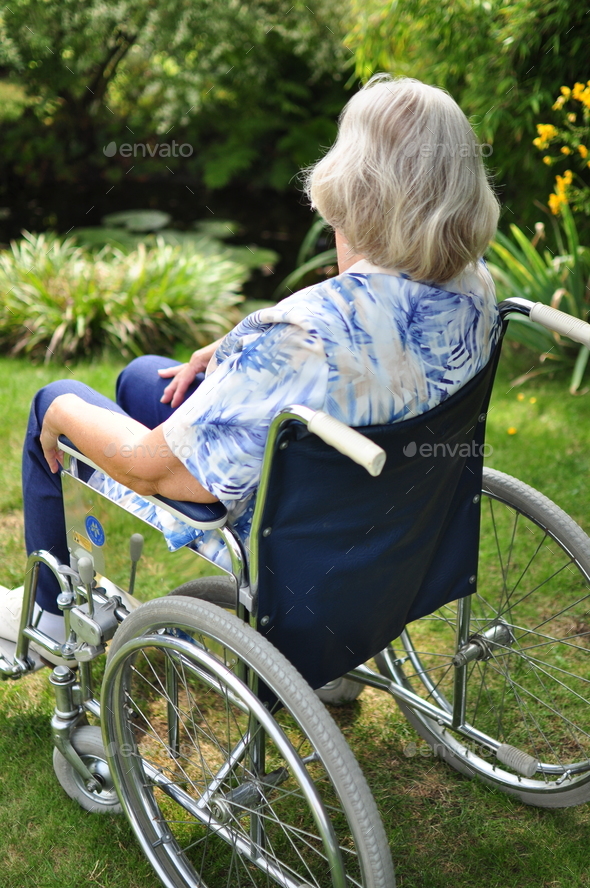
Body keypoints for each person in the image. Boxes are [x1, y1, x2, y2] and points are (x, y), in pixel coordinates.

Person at [0, 74, 501, 664]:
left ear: (358, 183)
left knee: (54, 399)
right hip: (392, 523)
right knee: (143, 378)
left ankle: (51, 617)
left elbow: (155, 474)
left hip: (290, 547)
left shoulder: (301, 334)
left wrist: (59, 413)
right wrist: (240, 352)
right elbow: (372, 329)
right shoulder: (474, 289)